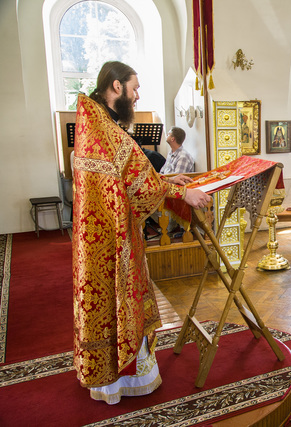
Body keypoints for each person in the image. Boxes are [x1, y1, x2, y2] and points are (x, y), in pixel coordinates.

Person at [72, 61, 210, 404]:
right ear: (116, 87)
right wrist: (181, 193)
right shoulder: (106, 130)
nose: (137, 96)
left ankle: (110, 378)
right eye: (134, 88)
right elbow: (136, 182)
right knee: (116, 301)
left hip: (101, 236)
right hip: (111, 240)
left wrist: (165, 179)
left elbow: (129, 177)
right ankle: (121, 380)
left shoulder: (96, 123)